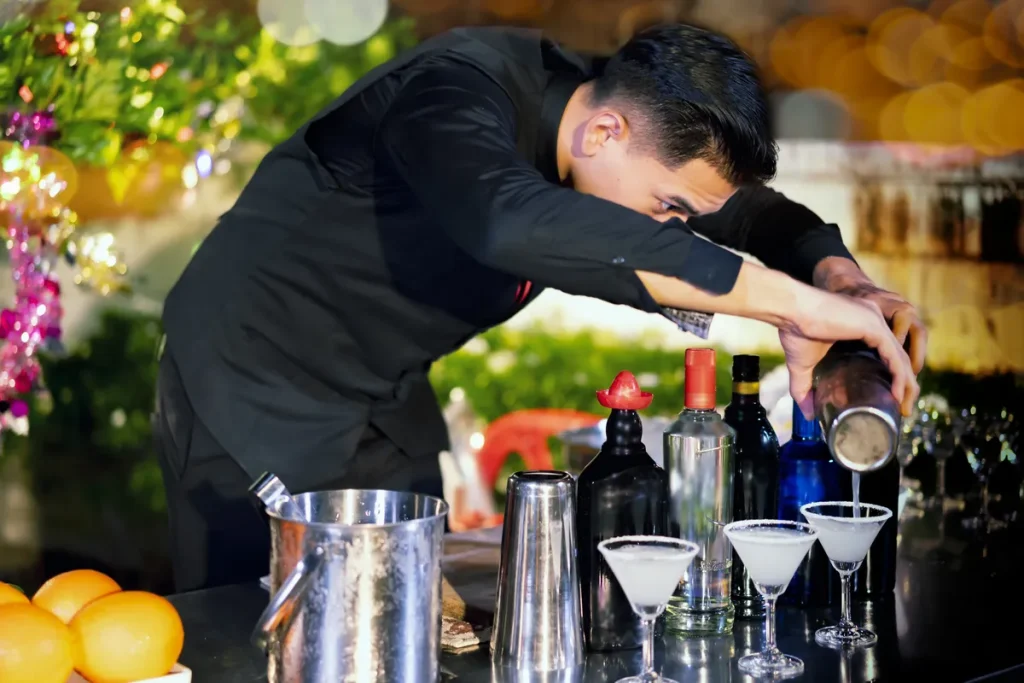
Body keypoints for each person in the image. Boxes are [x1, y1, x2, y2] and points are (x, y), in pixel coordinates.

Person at [155, 23, 926, 593]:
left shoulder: (623, 130)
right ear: (603, 131)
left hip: (379, 394)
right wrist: (784, 307)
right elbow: (505, 221)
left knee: (408, 617)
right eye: (670, 209)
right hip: (250, 375)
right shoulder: (455, 92)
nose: (676, 230)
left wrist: (843, 284)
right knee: (257, 626)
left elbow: (754, 217)